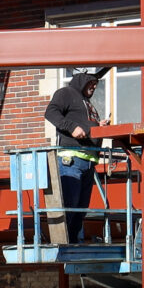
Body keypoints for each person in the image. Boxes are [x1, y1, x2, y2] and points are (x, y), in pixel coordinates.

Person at [45, 69, 104, 243]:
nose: (94, 86)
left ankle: (72, 240)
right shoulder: (66, 93)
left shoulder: (87, 104)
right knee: (71, 204)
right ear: (82, 80)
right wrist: (71, 127)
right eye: (91, 82)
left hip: (88, 161)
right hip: (71, 160)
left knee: (81, 208)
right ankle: (66, 240)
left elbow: (85, 125)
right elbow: (51, 112)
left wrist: (99, 126)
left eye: (95, 84)